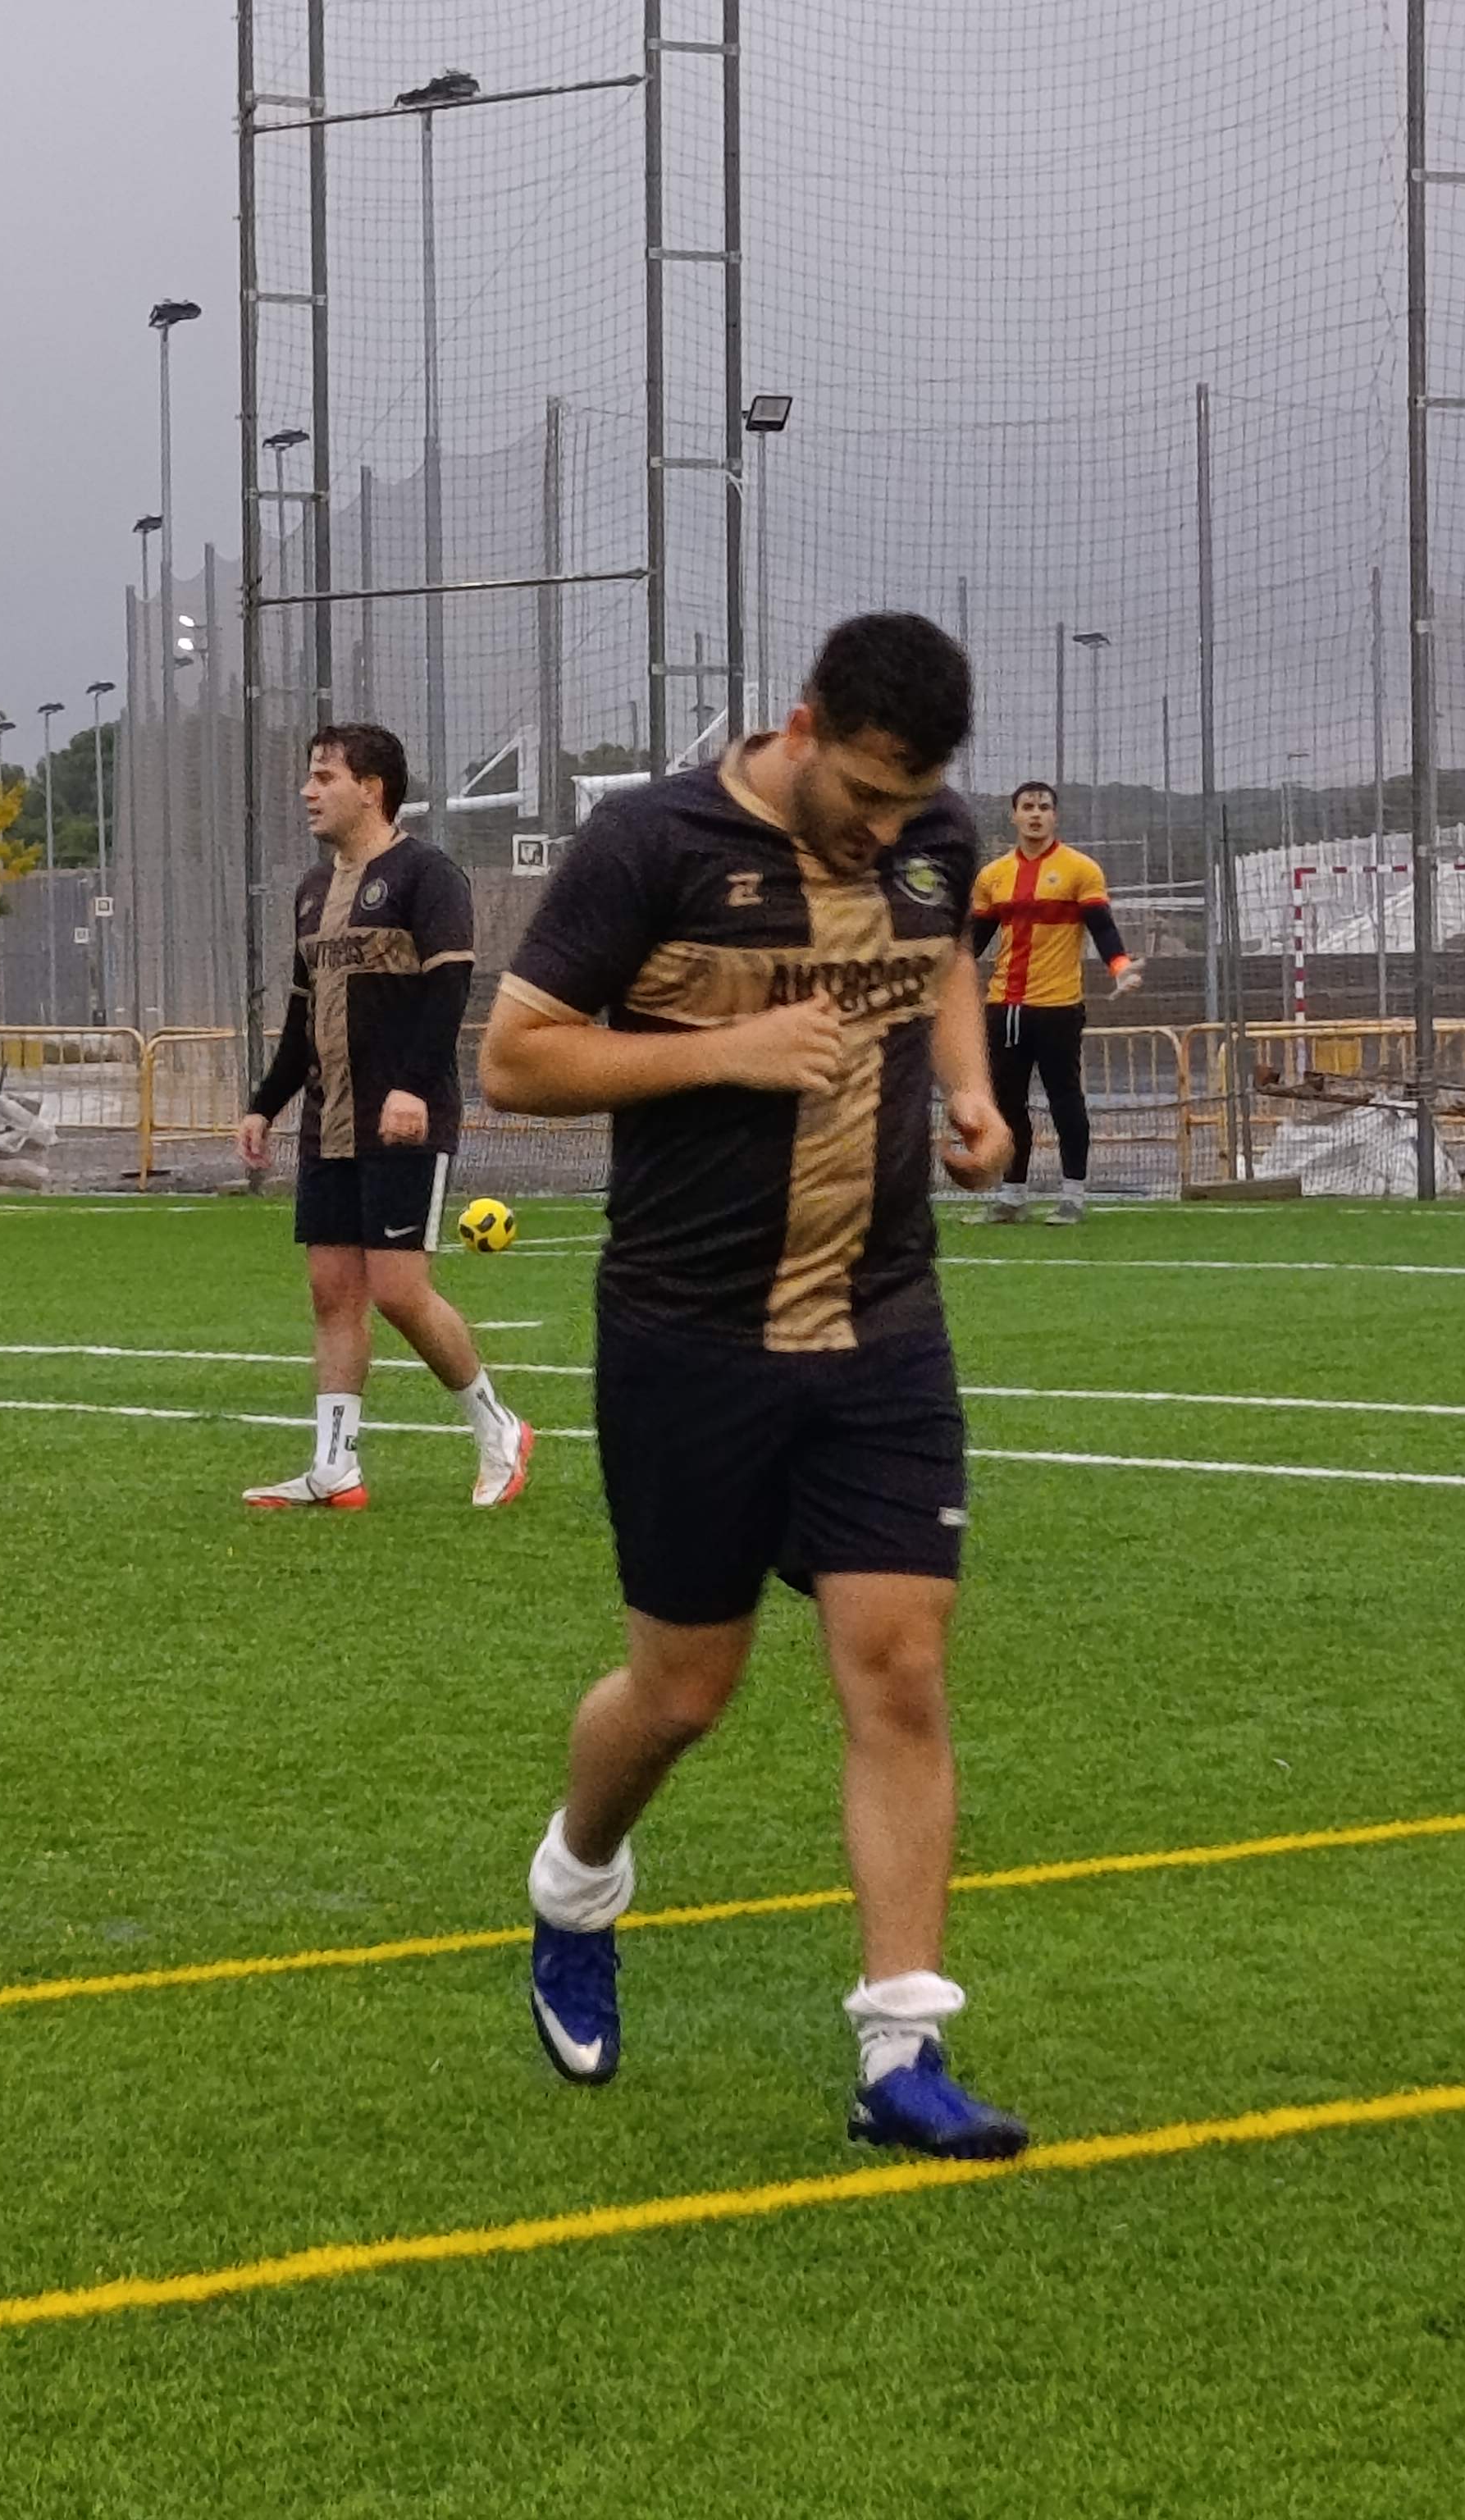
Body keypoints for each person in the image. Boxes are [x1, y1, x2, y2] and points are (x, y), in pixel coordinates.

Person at [480, 613, 1029, 2160]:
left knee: (900, 1666)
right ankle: (577, 1879)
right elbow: (516, 1060)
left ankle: (900, 2050)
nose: (884, 832)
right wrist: (725, 1052)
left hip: (882, 1327)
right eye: (862, 795)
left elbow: (945, 957)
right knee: (683, 1693)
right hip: (689, 1334)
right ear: (800, 729)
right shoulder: (650, 843)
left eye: (911, 805)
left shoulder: (933, 841)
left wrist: (974, 1094)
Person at [238, 723, 533, 1511]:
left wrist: (411, 1086)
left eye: (325, 776)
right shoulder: (311, 890)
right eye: (310, 776)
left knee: (399, 1291)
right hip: (329, 1121)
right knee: (332, 1291)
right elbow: (302, 1017)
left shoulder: (427, 875)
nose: (308, 791)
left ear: (372, 789)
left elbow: (448, 991)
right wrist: (265, 1104)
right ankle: (334, 1466)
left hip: (404, 1118)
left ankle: (499, 1427)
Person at [965, 779, 1139, 1224]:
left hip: (1058, 1008)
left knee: (1065, 1100)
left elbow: (1102, 927)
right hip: (1005, 1007)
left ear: (1055, 816)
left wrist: (1120, 967)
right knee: (1007, 1104)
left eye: (1044, 807)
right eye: (1028, 807)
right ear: (1014, 816)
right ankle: (1012, 1196)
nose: (1036, 814)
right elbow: (973, 943)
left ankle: (1073, 1196)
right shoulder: (993, 876)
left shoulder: (1080, 869)